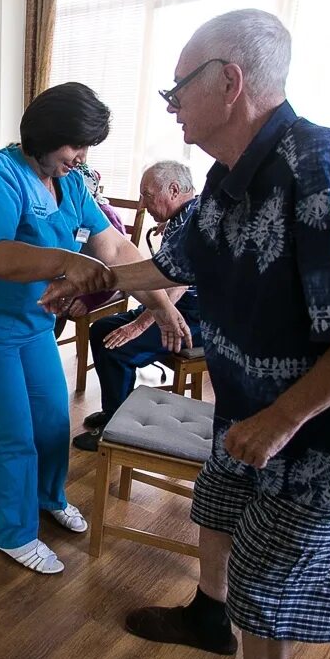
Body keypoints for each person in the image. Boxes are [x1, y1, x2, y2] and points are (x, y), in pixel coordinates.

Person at [40, 10, 330, 659]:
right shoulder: (227, 186)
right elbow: (169, 267)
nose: (170, 104)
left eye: (178, 88)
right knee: (219, 503)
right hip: (256, 408)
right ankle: (208, 613)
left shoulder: (326, 169)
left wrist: (282, 420)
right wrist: (94, 280)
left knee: (270, 569)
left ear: (229, 83)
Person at [0, 82, 191, 575]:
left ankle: (48, 498)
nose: (80, 157)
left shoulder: (73, 184)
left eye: (86, 149)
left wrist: (161, 306)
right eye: (75, 146)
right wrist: (67, 262)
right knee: (10, 432)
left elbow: (116, 250)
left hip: (32, 324)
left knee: (54, 421)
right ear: (46, 135)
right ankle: (13, 532)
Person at [71, 161, 204, 452]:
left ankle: (116, 431)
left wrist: (140, 324)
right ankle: (114, 412)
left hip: (196, 319)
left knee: (117, 347)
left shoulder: (193, 222)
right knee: (103, 328)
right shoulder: (185, 215)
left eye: (147, 194)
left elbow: (178, 283)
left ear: (173, 190)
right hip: (175, 307)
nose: (143, 202)